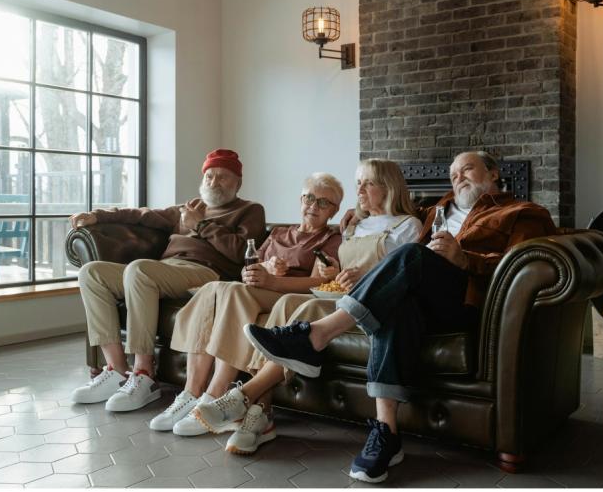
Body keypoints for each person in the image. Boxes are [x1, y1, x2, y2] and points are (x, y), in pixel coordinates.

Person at [244, 151, 557, 482]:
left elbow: (524, 264)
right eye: (452, 174)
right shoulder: (436, 209)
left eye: (467, 169)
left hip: (466, 300)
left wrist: (466, 260)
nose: (458, 177)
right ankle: (386, 433)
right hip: (423, 302)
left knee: (411, 254)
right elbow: (392, 212)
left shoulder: (522, 212)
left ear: (494, 174)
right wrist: (359, 212)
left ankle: (315, 334)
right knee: (396, 304)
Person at [190, 158, 423, 455]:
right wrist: (330, 271)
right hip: (337, 295)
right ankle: (257, 413)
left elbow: (399, 273)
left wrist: (361, 277)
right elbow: (338, 267)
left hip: (369, 304)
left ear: (389, 187)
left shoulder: (408, 226)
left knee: (296, 304)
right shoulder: (353, 224)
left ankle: (245, 397)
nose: (360, 190)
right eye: (358, 183)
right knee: (284, 301)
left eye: (369, 183)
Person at [145, 173, 344, 437]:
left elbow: (323, 283)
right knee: (220, 288)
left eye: (323, 203)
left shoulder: (332, 239)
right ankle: (192, 394)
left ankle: (213, 397)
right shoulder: (278, 233)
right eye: (309, 198)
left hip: (289, 294)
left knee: (233, 292)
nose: (313, 206)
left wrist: (273, 280)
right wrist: (265, 267)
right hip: (261, 289)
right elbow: (248, 270)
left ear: (335, 210)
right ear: (300, 199)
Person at [69, 149, 266, 413]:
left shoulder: (249, 210)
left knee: (139, 270)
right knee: (91, 273)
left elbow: (241, 251)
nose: (214, 182)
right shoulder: (187, 209)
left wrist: (201, 226)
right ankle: (117, 369)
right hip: (164, 270)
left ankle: (144, 374)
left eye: (223, 176)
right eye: (209, 175)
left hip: (206, 275)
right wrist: (100, 216)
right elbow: (141, 215)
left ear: (238, 182)